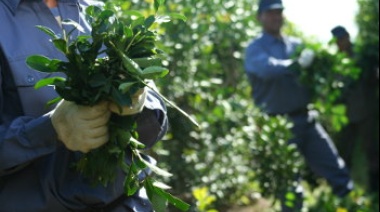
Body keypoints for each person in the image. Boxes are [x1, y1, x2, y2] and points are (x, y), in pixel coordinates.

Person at [0, 0, 168, 211]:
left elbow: (153, 127)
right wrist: (51, 130)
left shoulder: (96, 9)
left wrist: (137, 104)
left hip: (127, 203)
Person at [244, 0, 353, 211]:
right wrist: (294, 65)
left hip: (307, 119)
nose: (277, 17)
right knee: (290, 185)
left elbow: (317, 72)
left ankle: (351, 203)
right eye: (271, 13)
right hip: (279, 124)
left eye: (279, 12)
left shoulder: (297, 45)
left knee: (335, 167)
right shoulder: (255, 49)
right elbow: (267, 69)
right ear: (260, 17)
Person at [331, 26, 379, 194]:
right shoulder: (335, 62)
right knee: (344, 152)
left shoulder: (364, 57)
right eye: (337, 40)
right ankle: (345, 189)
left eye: (342, 38)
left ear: (348, 37)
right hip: (346, 115)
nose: (340, 43)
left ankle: (374, 189)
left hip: (366, 111)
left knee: (372, 151)